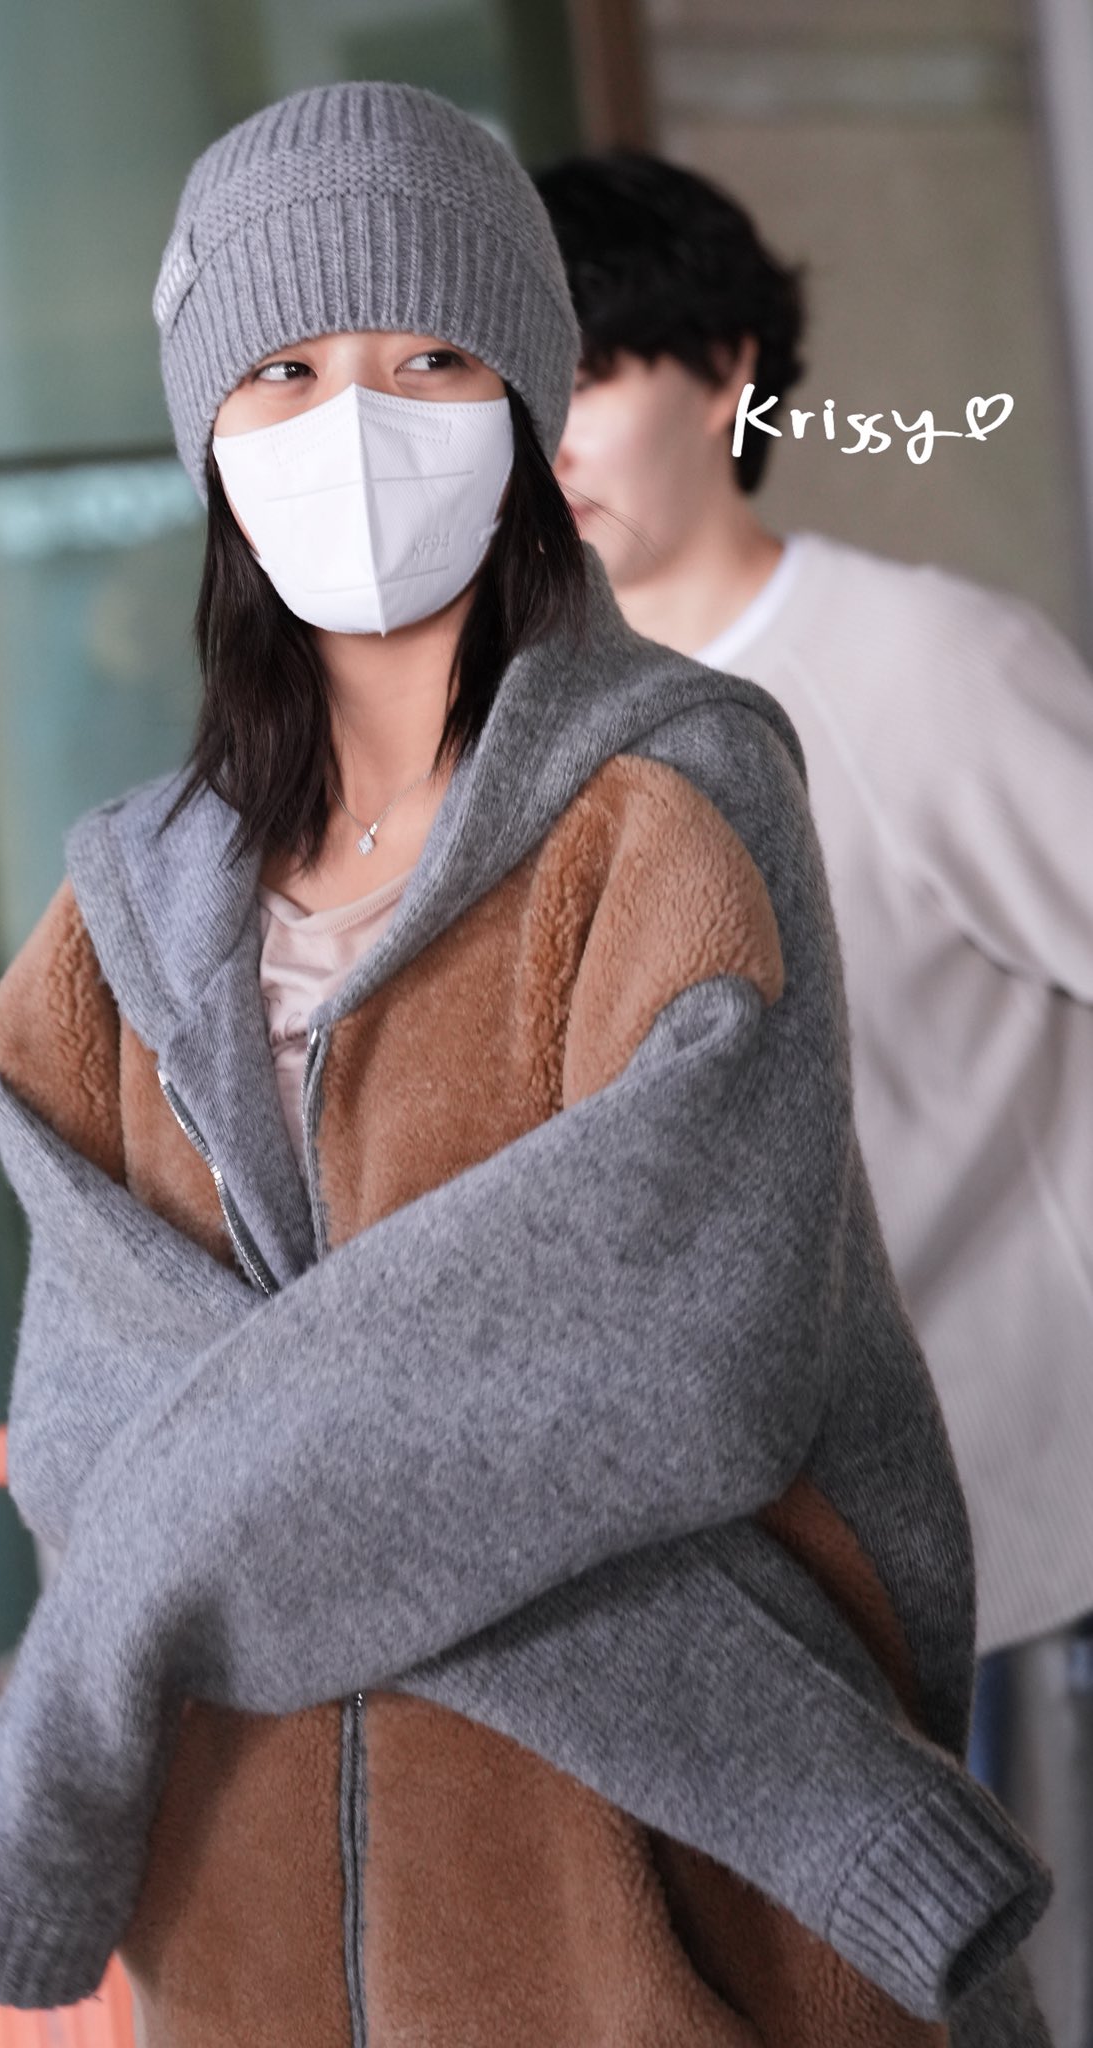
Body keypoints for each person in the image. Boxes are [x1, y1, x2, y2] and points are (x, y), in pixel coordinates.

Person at [0, 84, 1053, 2045]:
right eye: (283, 369)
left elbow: (667, 1358)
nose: (352, 426)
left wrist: (133, 1609)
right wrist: (298, 1490)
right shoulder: (117, 922)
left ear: (520, 398)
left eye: (427, 359)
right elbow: (94, 1443)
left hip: (649, 1936)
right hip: (254, 1945)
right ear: (203, 430)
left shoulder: (669, 804)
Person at [534, 146, 1093, 1784]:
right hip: (730, 1569)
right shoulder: (526, 737)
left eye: (586, 375)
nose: (543, 441)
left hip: (1010, 1528)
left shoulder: (920, 664)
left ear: (726, 375)